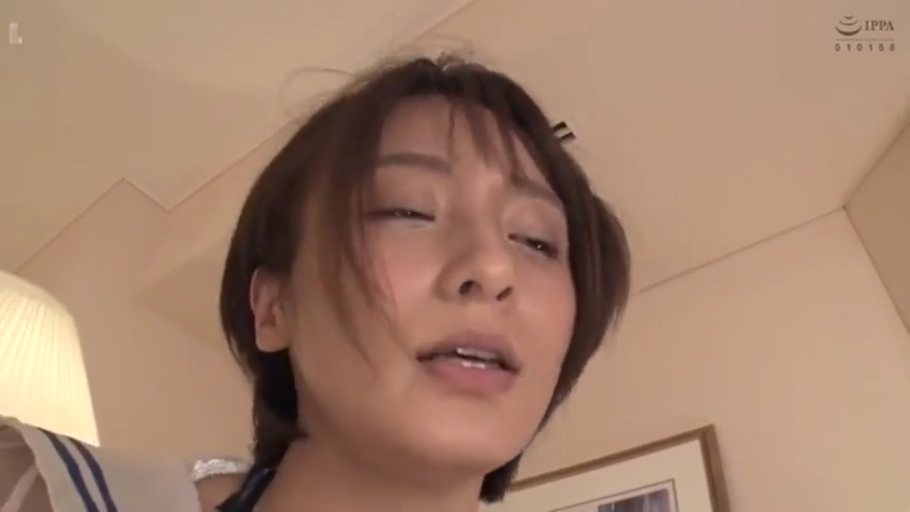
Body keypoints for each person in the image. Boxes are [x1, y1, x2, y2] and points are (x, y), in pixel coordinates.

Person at [0, 54, 630, 512]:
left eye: (537, 241)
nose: (494, 268)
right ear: (273, 307)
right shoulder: (42, 493)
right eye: (408, 210)